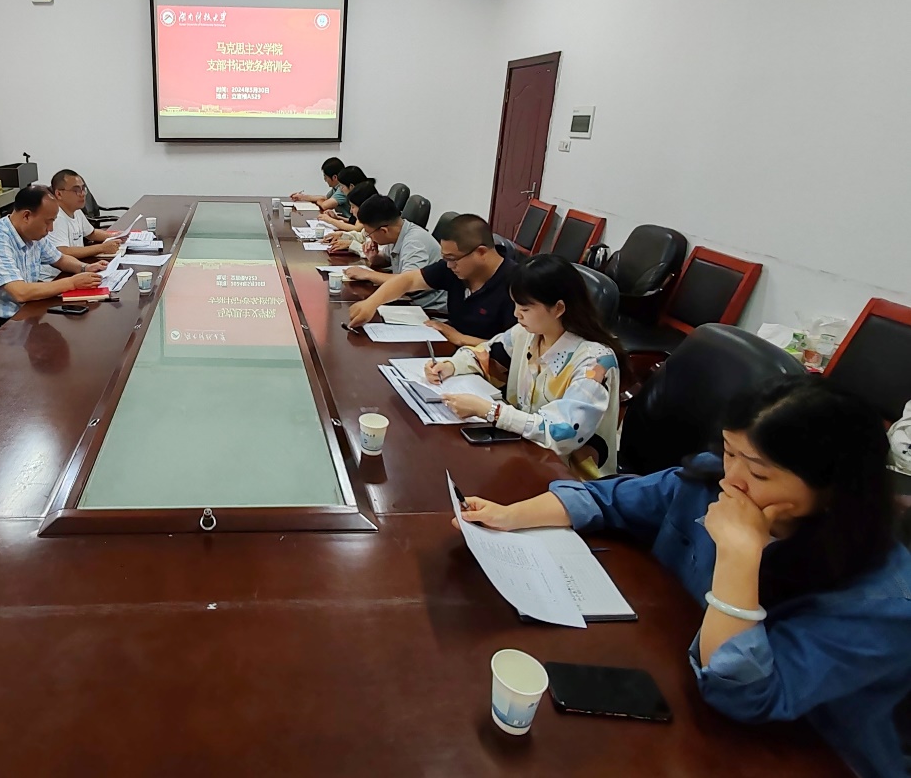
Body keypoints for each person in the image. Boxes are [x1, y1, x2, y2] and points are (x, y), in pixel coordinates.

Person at [453, 376, 911, 778]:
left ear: (832, 489)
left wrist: (738, 555)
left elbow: (745, 695)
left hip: (797, 753)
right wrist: (509, 516)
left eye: (758, 472)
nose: (732, 478)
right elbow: (606, 499)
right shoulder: (706, 481)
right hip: (675, 686)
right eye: (729, 451)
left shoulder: (884, 602)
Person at [427, 254, 621, 476]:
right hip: (523, 451)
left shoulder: (595, 362)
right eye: (516, 305)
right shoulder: (527, 334)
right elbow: (486, 354)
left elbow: (562, 433)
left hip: (571, 477)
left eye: (525, 309)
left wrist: (490, 411)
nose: (516, 314)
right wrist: (451, 365)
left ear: (558, 308)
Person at [348, 213, 515, 347]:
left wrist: (460, 338)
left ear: (481, 252)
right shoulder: (455, 268)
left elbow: (516, 349)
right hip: (450, 351)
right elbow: (408, 280)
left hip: (488, 366)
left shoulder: (516, 285)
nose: (449, 265)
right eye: (446, 258)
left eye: (452, 259)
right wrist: (371, 303)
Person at [0, 184, 104, 327]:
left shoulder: (32, 233)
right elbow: (20, 292)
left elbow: (60, 259)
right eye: (48, 221)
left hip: (25, 309)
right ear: (26, 216)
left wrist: (85, 267)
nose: (51, 229)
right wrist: (72, 283)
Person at [342, 194, 445, 311]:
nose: (369, 237)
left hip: (428, 309)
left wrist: (368, 274)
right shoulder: (398, 232)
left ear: (384, 231)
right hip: (406, 300)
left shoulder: (414, 242)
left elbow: (408, 283)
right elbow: (387, 259)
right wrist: (375, 258)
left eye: (369, 233)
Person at [41, 169, 123, 273]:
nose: (82, 194)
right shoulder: (56, 217)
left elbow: (91, 233)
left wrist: (115, 236)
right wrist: (102, 248)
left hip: (76, 267)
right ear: (59, 194)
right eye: (76, 190)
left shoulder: (76, 210)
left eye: (83, 189)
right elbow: (63, 252)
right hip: (58, 275)